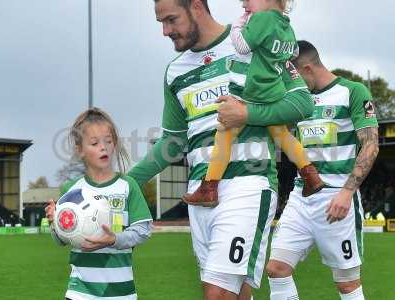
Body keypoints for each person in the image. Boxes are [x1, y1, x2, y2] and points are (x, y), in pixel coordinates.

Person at [129, 1, 310, 299]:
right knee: (236, 293)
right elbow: (172, 141)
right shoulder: (175, 72)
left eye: (171, 20)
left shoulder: (253, 39)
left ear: (196, 7)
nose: (165, 31)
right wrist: (125, 183)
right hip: (201, 197)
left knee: (217, 294)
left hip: (248, 186)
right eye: (161, 23)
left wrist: (247, 115)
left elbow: (301, 104)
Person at [266, 40, 379, 300]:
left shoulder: (352, 91)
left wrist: (346, 192)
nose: (290, 86)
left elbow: (371, 146)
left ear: (306, 69)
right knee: (276, 269)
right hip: (301, 196)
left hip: (338, 199)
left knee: (347, 284)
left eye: (292, 78)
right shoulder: (298, 101)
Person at [183, 0, 323, 207]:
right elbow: (292, 54)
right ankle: (310, 174)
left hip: (251, 91)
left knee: (224, 134)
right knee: (281, 134)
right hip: (273, 91)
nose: (244, 4)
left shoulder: (261, 19)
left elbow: (241, 46)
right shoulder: (286, 26)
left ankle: (209, 187)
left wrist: (239, 25)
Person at [45, 108, 153, 300]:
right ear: (80, 150)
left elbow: (143, 231)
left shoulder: (127, 186)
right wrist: (56, 222)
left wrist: (114, 239)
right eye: (95, 143)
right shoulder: (71, 190)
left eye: (108, 141)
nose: (103, 147)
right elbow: (61, 240)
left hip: (121, 294)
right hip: (79, 293)